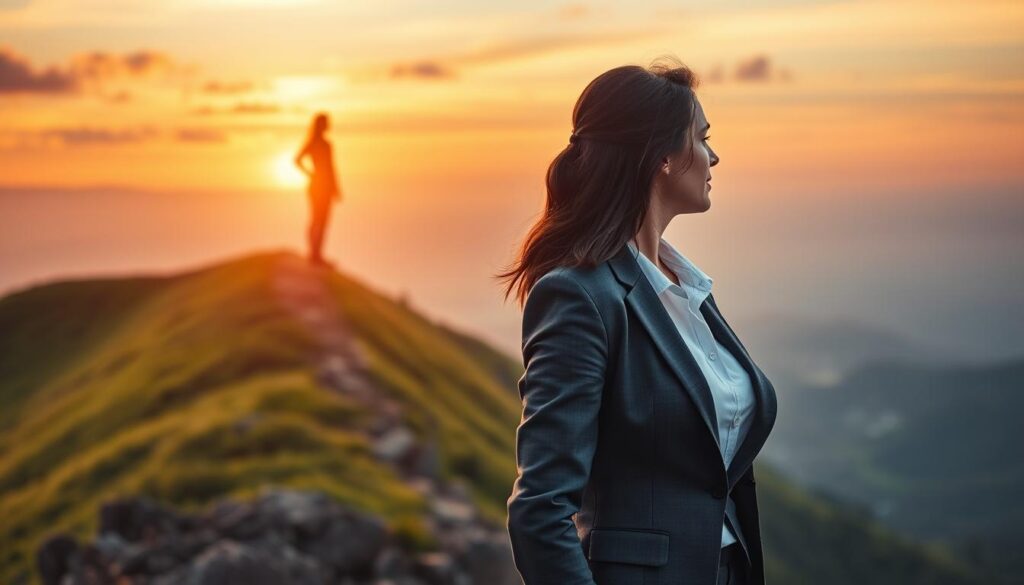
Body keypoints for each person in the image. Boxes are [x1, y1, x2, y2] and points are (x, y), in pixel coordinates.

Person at [496, 56, 778, 585]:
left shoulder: (687, 290)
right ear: (664, 157)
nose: (713, 156)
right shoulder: (578, 295)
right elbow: (539, 508)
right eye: (702, 137)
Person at [294, 112, 342, 266]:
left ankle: (315, 253)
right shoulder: (321, 144)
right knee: (319, 220)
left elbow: (298, 160)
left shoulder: (316, 143)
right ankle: (315, 254)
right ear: (322, 125)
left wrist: (311, 174)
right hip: (321, 186)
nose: (330, 125)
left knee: (318, 220)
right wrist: (312, 174)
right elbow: (330, 168)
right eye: (327, 122)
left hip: (318, 186)